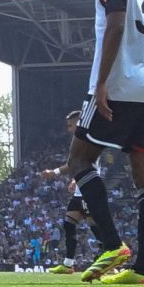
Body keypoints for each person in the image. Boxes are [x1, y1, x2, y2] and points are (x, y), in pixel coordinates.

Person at [64, 0, 144, 285]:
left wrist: (102, 83)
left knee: (79, 159)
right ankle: (143, 269)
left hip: (118, 85)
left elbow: (116, 25)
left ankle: (112, 244)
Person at [38, 111, 97, 274]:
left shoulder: (88, 139)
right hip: (80, 191)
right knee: (69, 225)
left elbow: (76, 164)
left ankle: (110, 260)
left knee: (97, 229)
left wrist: (54, 172)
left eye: (71, 125)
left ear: (80, 123)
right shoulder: (81, 139)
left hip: (90, 190)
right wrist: (75, 180)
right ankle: (68, 264)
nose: (69, 129)